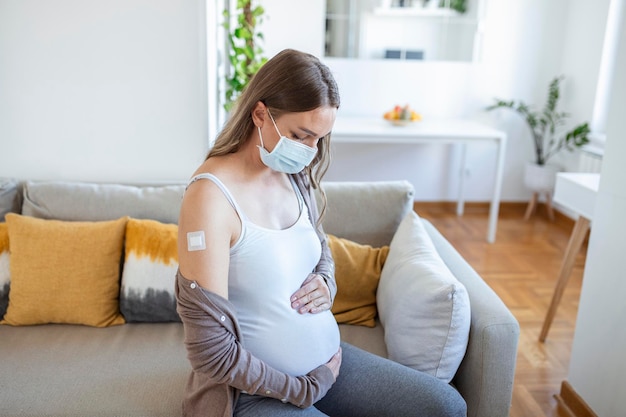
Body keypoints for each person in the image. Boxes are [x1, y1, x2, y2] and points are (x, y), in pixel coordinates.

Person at [175, 48, 467, 417]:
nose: (311, 153)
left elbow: (319, 249)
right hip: (253, 392)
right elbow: (209, 352)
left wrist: (326, 282)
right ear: (260, 114)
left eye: (320, 139)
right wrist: (303, 388)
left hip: (329, 365)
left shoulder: (294, 176)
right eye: (302, 135)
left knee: (445, 407)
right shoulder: (210, 198)